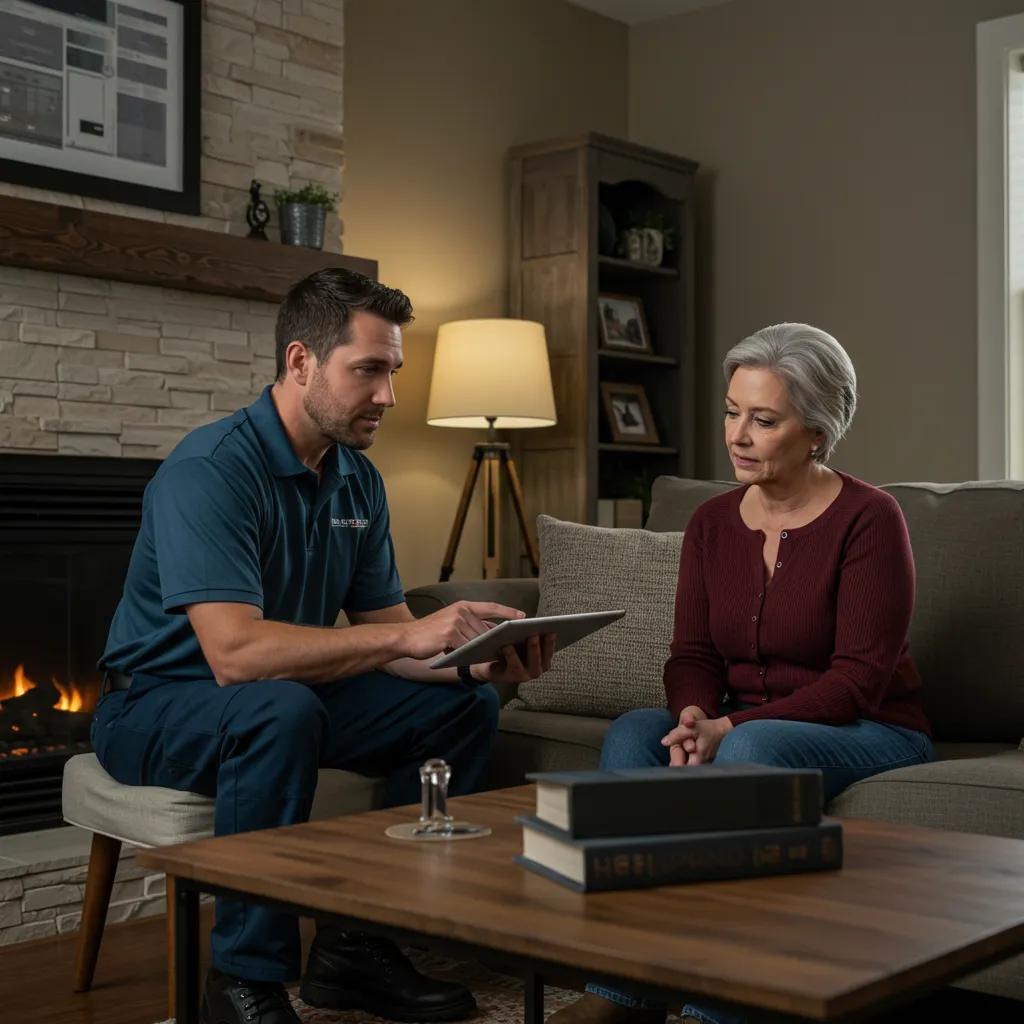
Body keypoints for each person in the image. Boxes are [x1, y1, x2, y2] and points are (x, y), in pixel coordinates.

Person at [91, 268, 554, 1024]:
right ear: (302, 361)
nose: (388, 396)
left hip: (280, 698)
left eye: (393, 371)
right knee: (279, 711)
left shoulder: (356, 482)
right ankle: (242, 982)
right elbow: (233, 656)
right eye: (368, 370)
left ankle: (359, 947)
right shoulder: (210, 472)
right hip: (155, 704)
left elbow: (388, 636)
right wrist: (407, 635)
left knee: (461, 707)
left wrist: (474, 656)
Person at [549, 323, 935, 1024]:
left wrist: (732, 728)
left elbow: (857, 680)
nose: (738, 435)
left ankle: (719, 1004)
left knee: (754, 752)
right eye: (732, 412)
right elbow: (692, 654)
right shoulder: (711, 523)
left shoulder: (870, 519)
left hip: (867, 727)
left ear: (816, 430)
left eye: (764, 419)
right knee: (638, 733)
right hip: (740, 718)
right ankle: (621, 990)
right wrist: (697, 716)